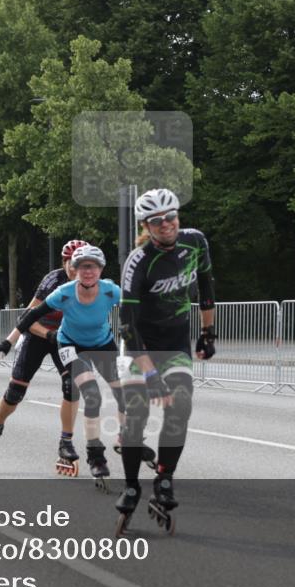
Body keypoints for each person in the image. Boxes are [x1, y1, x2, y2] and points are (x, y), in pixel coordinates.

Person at [115, 188, 216, 535]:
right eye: (156, 222)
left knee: (181, 406)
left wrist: (208, 333)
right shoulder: (139, 261)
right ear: (146, 225)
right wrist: (150, 374)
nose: (166, 225)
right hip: (139, 345)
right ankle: (131, 485)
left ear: (178, 216)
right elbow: (127, 324)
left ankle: (164, 479)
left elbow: (206, 285)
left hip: (174, 344)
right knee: (136, 414)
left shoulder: (196, 242)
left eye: (170, 217)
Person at [0, 245, 125, 482]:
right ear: (71, 267)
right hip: (57, 340)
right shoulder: (60, 288)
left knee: (114, 391)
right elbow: (30, 315)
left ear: (100, 269)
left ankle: (116, 438)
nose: (87, 272)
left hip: (95, 342)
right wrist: (8, 341)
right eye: (81, 267)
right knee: (85, 393)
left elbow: (134, 307)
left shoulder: (109, 290)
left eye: (93, 267)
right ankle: (93, 455)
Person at [0, 240, 88, 469]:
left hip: (63, 339)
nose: (76, 270)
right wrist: (11, 341)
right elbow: (26, 318)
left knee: (72, 385)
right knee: (15, 391)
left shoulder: (90, 284)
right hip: (38, 334)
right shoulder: (53, 281)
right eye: (71, 264)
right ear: (64, 263)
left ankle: (65, 442)